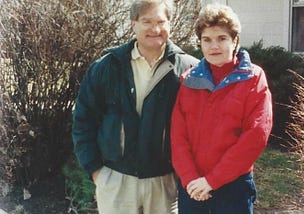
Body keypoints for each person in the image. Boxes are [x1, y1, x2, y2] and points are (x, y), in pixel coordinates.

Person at [72, 0, 199, 213]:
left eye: (161, 21)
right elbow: (83, 120)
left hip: (165, 182)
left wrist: (185, 175)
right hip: (116, 180)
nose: (155, 29)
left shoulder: (190, 70)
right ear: (133, 24)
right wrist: (96, 171)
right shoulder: (106, 67)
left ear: (170, 24)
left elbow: (200, 129)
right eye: (146, 21)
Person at [170, 3, 273, 214]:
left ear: (235, 41)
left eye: (222, 38)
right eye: (206, 40)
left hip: (233, 187)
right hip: (193, 187)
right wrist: (190, 178)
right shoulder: (188, 80)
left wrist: (212, 180)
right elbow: (177, 136)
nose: (213, 46)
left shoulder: (253, 78)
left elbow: (256, 136)